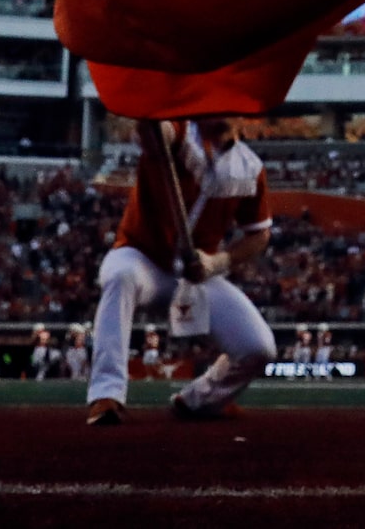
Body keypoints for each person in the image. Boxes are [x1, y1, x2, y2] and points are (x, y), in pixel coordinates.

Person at [85, 113, 277, 426]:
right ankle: (106, 394)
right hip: (143, 257)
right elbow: (154, 135)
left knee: (258, 347)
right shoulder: (182, 130)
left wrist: (217, 263)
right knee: (119, 276)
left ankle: (200, 400)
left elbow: (260, 234)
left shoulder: (250, 167)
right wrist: (150, 121)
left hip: (197, 272)